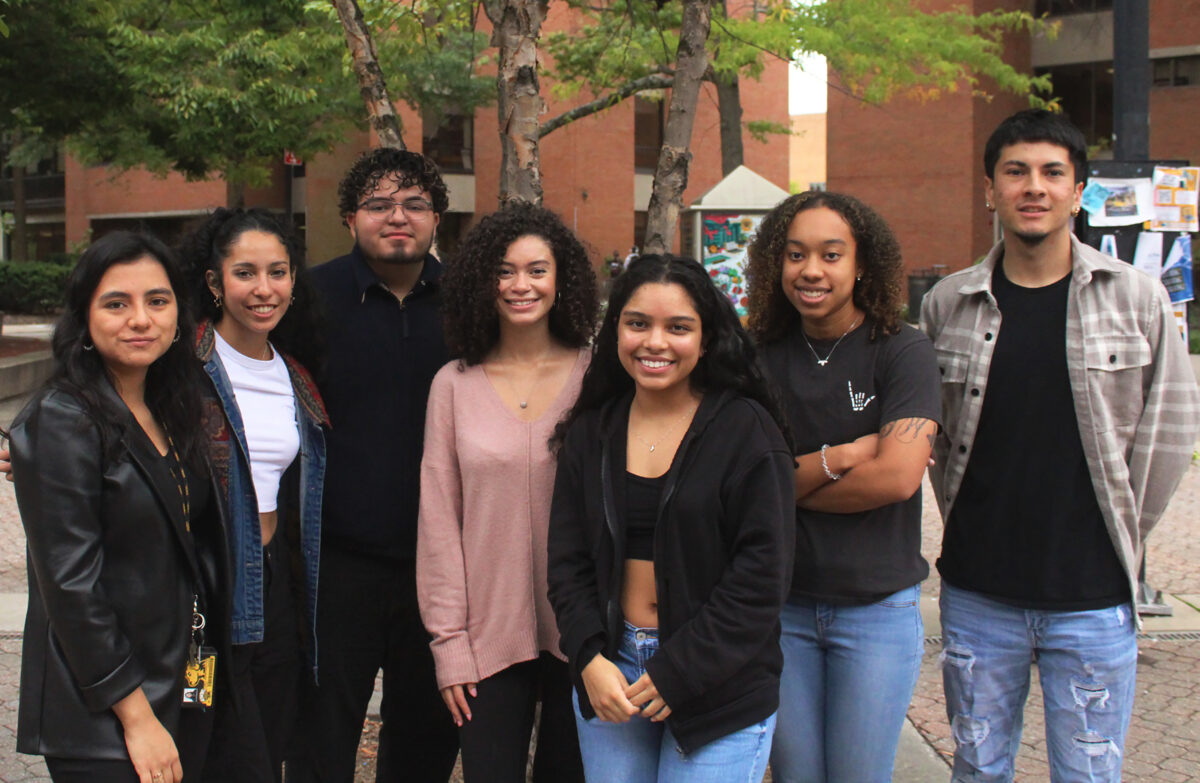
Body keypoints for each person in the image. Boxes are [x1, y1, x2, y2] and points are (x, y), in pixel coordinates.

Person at [920, 109, 1200, 781]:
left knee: (1088, 774)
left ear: (1078, 191)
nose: (1033, 187)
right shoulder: (948, 304)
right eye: (1016, 171)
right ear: (991, 188)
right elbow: (934, 439)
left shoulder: (1135, 297)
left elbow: (1169, 431)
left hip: (1094, 596)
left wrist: (1123, 530)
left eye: (1052, 172)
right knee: (978, 769)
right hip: (978, 593)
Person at [547, 255, 795, 782]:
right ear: (616, 331)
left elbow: (762, 576)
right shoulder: (592, 434)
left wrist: (678, 670)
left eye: (677, 327)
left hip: (718, 684)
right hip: (612, 673)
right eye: (638, 323)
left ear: (706, 339)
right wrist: (587, 658)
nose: (654, 342)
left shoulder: (745, 432)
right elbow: (567, 563)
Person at [9, 231, 227, 783]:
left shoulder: (171, 403)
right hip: (108, 709)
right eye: (116, 303)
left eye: (157, 301)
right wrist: (137, 718)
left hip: (182, 678)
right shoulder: (62, 419)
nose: (140, 319)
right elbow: (71, 588)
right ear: (84, 316)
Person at [744, 191, 941, 782]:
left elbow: (899, 477)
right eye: (796, 254)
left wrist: (784, 482)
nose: (811, 271)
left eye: (831, 255)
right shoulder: (755, 357)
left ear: (861, 264)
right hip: (782, 609)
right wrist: (843, 455)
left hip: (877, 611)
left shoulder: (903, 350)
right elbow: (740, 485)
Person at [286, 148, 458, 783]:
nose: (398, 216)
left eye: (414, 203)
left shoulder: (470, 305)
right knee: (320, 741)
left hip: (440, 571)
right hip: (335, 567)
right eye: (379, 204)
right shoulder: (307, 299)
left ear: (437, 216)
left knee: (425, 743)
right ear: (350, 217)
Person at [416, 202, 597, 782]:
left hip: (585, 634)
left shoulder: (599, 377)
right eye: (504, 270)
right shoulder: (453, 385)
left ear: (561, 278)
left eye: (536, 269)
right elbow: (439, 522)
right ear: (480, 282)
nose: (521, 285)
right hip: (484, 640)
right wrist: (449, 645)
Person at [177, 208, 329, 783]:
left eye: (278, 272)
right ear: (215, 283)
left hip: (276, 588)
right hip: (204, 590)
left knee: (267, 738)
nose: (263, 289)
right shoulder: (180, 364)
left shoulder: (297, 377)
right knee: (209, 739)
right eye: (245, 273)